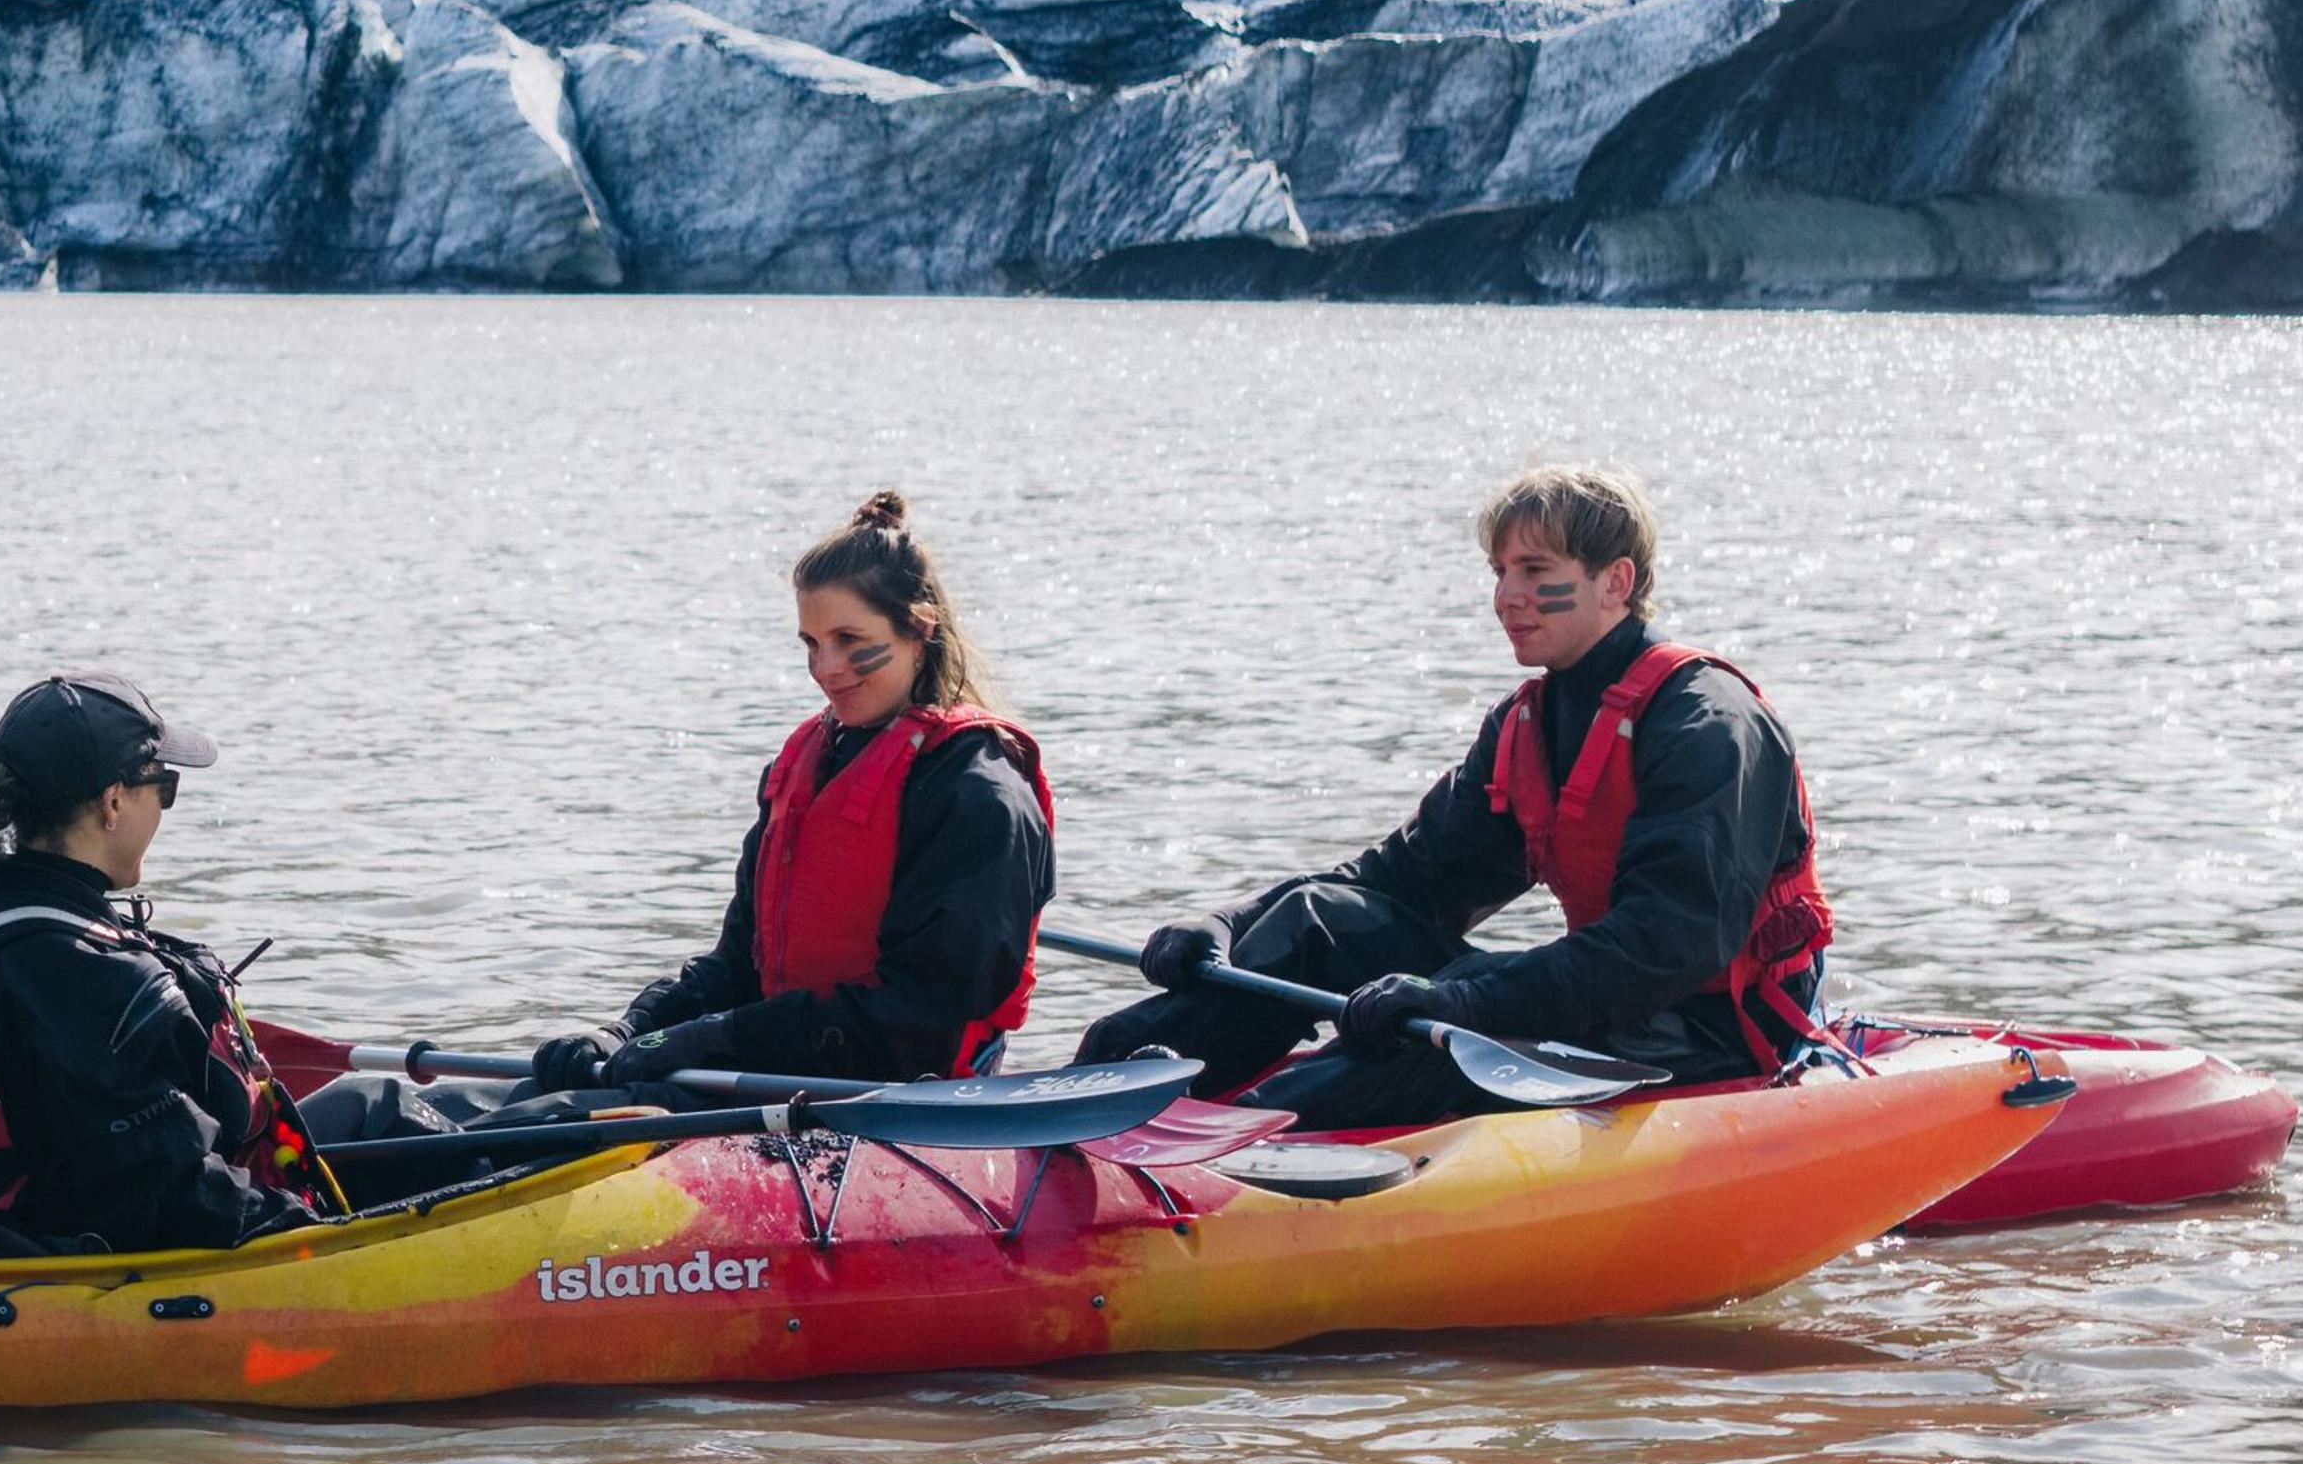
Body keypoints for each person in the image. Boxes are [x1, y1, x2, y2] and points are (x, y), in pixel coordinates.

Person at [1074, 464, 1834, 1130]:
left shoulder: (1706, 722)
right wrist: (1224, 927)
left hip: (1705, 1030)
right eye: (1500, 572)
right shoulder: (1528, 726)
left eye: (1536, 571)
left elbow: (1667, 944)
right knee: (1322, 921)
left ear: (1617, 582)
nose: (1508, 597)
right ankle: (1109, 1085)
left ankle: (1243, 1140)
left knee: (1419, 1036)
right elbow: (1398, 885)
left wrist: (1471, 1004)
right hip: (1610, 998)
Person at [0, 620, 418, 1254]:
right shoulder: (94, 983)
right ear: (112, 803)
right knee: (415, 1128)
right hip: (75, 1252)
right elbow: (179, 1199)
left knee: (381, 1102)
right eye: (164, 790)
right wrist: (350, 1240)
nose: (165, 811)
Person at [524, 491, 1057, 1095]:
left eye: (850, 639)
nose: (826, 668)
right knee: (535, 1103)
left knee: (568, 1124)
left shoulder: (979, 794)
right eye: (810, 642)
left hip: (895, 1095)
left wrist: (716, 1038)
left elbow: (922, 1015)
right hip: (782, 1070)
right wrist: (631, 1030)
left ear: (918, 630)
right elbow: (734, 965)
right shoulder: (810, 761)